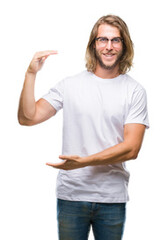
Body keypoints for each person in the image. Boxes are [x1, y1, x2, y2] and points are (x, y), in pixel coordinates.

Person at [17, 15, 148, 240]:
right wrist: (31, 74)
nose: (109, 47)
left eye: (115, 40)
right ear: (93, 44)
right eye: (102, 40)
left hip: (111, 197)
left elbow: (131, 149)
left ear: (124, 46)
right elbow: (28, 118)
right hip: (71, 196)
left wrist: (83, 162)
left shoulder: (134, 91)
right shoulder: (70, 85)